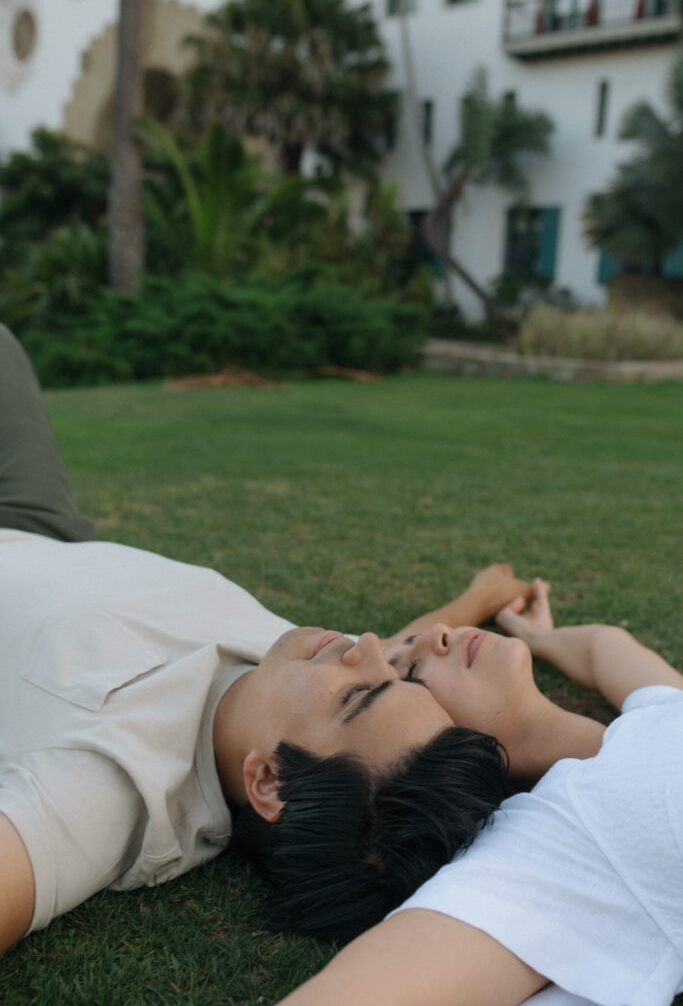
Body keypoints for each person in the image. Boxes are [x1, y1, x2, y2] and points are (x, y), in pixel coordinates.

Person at [0, 323, 530, 956]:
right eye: (400, 676)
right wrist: (481, 598)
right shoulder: (291, 682)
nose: (366, 646)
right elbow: (385, 657)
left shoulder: (114, 789)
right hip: (43, 527)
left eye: (357, 697)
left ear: (271, 782)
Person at [276, 581, 683, 1006]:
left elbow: (604, 645)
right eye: (412, 673)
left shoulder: (653, 712)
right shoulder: (568, 836)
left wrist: (534, 635)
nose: (440, 633)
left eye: (417, 641)